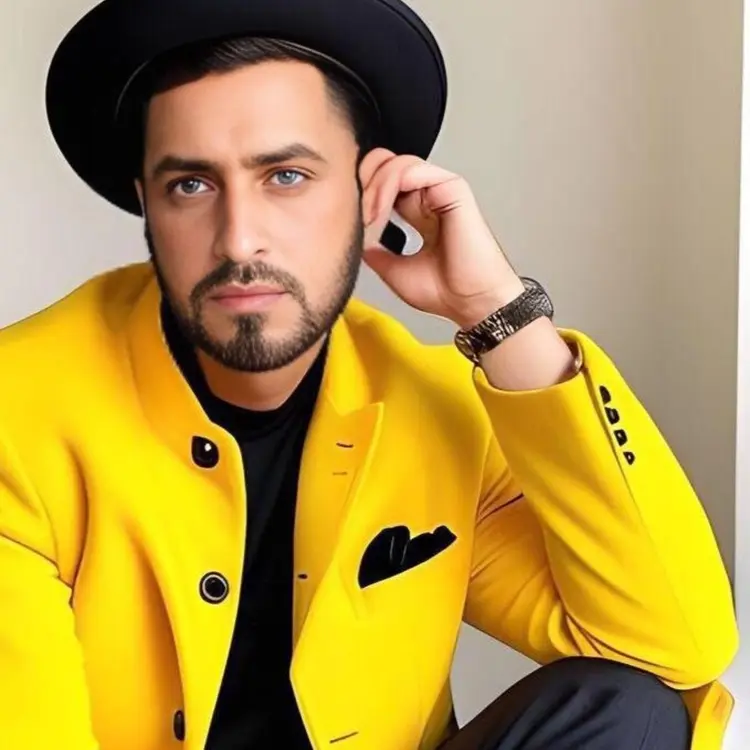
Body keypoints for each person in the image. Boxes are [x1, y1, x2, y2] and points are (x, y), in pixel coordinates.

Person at [0, 0, 737, 748]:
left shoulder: (430, 412)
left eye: (286, 175)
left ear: (368, 196)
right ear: (147, 206)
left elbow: (672, 644)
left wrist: (498, 310)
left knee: (628, 707)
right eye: (191, 185)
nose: (239, 239)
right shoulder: (18, 414)